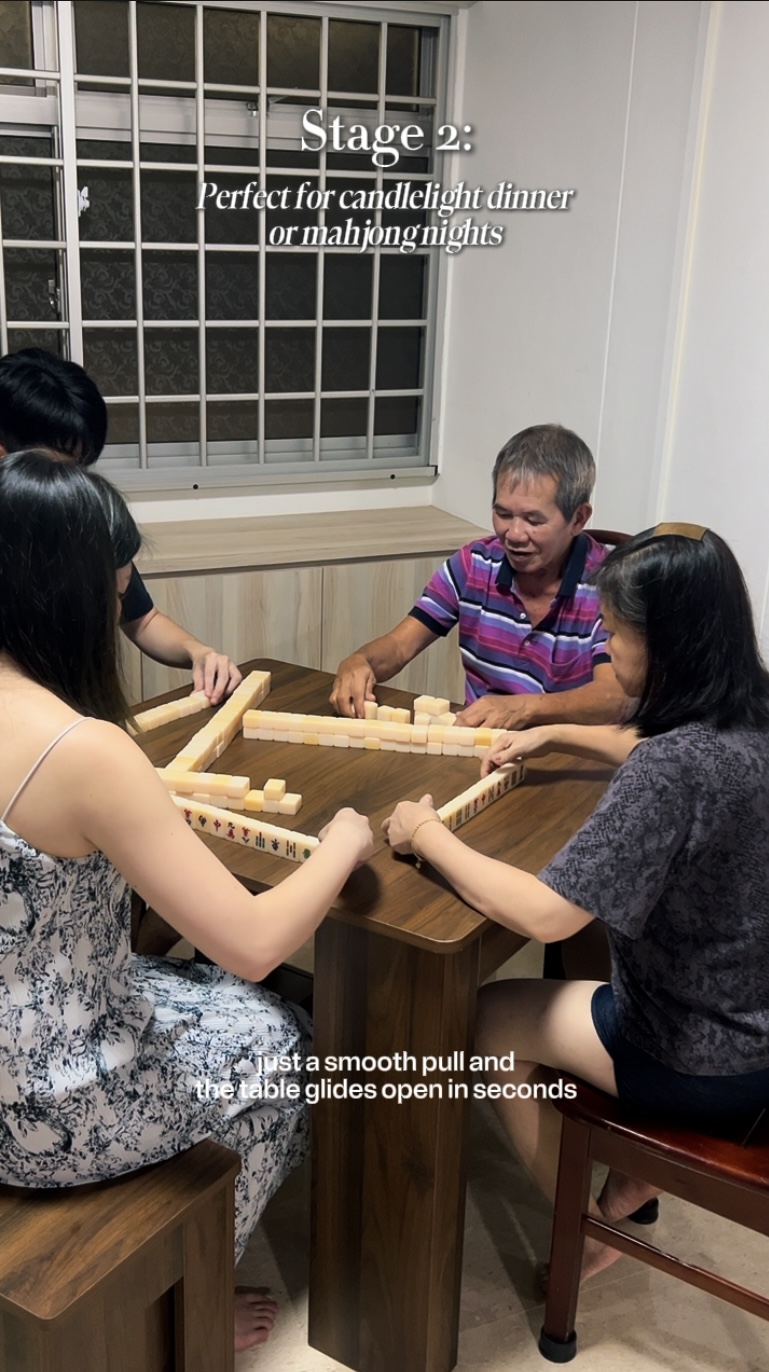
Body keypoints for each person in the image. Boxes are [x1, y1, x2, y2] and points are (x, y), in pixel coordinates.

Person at [0, 450, 374, 1352]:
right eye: (114, 589)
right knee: (288, 1039)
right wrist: (343, 843)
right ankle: (194, 1293)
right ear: (67, 595)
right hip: (43, 1105)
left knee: (196, 984)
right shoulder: (82, 749)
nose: (120, 607)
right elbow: (254, 941)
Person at [382, 521, 769, 1285]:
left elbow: (547, 915)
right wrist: (555, 733)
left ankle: (586, 1228)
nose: (608, 649)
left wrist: (424, 833)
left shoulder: (670, 769)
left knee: (488, 1016)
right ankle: (631, 1176)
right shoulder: (749, 710)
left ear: (664, 643)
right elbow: (659, 751)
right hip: (757, 1023)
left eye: (615, 634)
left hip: (704, 1055)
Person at [331, 424, 626, 730]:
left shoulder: (612, 587)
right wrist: (359, 661)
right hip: (479, 745)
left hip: (567, 752)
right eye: (503, 514)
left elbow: (612, 698)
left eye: (533, 520)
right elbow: (399, 645)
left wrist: (525, 708)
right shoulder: (474, 564)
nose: (514, 534)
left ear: (578, 518)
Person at [0, 347, 240, 704]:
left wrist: (199, 652)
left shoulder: (84, 523)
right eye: (64, 467)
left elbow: (142, 618)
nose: (79, 482)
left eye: (83, 466)